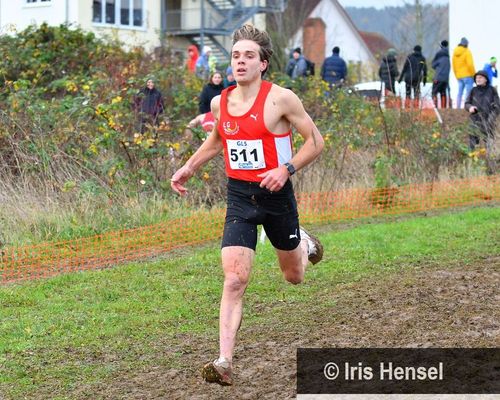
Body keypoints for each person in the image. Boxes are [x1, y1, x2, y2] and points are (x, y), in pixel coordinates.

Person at [170, 23, 325, 386]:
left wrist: (286, 169)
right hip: (240, 197)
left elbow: (315, 142)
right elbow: (216, 141)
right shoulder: (219, 102)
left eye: (248, 56)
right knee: (235, 278)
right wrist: (188, 168)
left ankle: (303, 242)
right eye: (236, 56)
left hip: (277, 198)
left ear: (263, 63)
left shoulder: (281, 99)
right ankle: (224, 360)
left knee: (294, 276)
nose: (240, 62)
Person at [464, 70, 499, 166]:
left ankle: (490, 164)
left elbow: (497, 107)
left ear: (486, 79)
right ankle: (472, 164)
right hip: (474, 120)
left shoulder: (492, 90)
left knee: (489, 145)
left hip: (488, 121)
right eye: (476, 78)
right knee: (472, 145)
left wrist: (491, 120)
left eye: (480, 77)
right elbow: (466, 103)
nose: (477, 79)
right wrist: (470, 107)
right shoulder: (473, 90)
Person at [452, 37, 475, 108]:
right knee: (468, 93)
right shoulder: (467, 51)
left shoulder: (455, 53)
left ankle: (458, 107)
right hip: (468, 75)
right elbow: (470, 64)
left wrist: (456, 75)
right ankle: (467, 107)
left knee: (460, 93)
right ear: (466, 44)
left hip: (459, 76)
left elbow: (454, 65)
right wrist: (474, 75)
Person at [431, 40, 451, 108]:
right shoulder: (448, 56)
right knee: (443, 93)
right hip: (446, 79)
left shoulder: (439, 55)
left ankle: (435, 107)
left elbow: (433, 65)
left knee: (434, 92)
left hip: (438, 77)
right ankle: (444, 108)